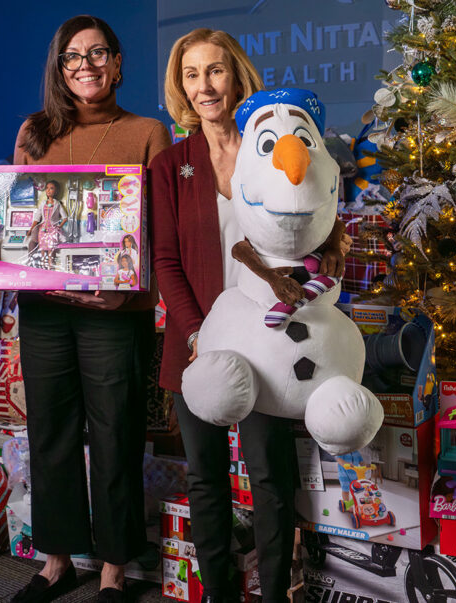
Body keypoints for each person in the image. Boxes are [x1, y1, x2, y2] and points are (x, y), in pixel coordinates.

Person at [149, 29, 348, 603]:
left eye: (215, 71)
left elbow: (321, 220)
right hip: (197, 346)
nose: (205, 86)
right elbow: (165, 259)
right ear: (180, 85)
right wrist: (196, 334)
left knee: (268, 476)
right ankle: (217, 592)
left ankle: (275, 589)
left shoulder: (274, 143)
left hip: (268, 342)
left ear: (237, 77)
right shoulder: (169, 166)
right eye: (191, 74)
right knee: (205, 479)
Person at [10, 15, 171, 603]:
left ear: (118, 61)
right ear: (59, 67)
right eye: (73, 57)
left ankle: (112, 567)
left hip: (114, 310)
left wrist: (131, 292)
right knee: (49, 430)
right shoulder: (34, 133)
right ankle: (57, 560)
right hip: (44, 310)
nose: (86, 65)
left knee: (115, 432)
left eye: (97, 53)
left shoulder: (148, 132)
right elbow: (17, 224)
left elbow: (161, 234)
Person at [29, 180, 68, 266]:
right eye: (47, 188)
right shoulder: (43, 203)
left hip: (52, 231)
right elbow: (37, 217)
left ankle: (51, 268)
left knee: (51, 251)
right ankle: (43, 268)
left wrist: (59, 227)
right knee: (42, 250)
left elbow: (65, 217)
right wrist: (31, 229)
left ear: (56, 191)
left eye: (51, 188)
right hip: (42, 231)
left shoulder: (57, 204)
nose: (48, 190)